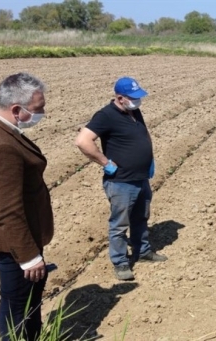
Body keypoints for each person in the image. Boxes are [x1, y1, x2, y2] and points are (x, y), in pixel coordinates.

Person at [0, 73, 53, 341]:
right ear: (16, 109)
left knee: (17, 301)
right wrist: (29, 257)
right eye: (39, 108)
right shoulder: (0, 147)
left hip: (4, 234)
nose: (43, 113)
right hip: (14, 241)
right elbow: (8, 209)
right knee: (18, 306)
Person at [74, 77, 167, 281]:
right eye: (133, 98)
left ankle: (143, 252)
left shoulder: (134, 111)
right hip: (121, 182)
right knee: (119, 224)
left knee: (141, 218)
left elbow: (143, 134)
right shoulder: (105, 115)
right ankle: (120, 262)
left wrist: (148, 159)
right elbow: (82, 141)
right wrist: (104, 162)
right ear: (120, 98)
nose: (138, 101)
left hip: (141, 178)